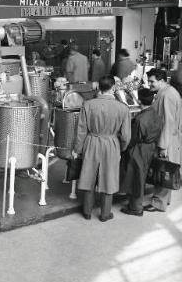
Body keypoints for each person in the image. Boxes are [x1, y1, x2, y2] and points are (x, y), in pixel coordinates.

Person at [73, 75, 131, 221]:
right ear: (113, 88)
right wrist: (121, 148)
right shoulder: (123, 108)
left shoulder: (88, 104)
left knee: (89, 176)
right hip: (111, 144)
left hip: (91, 141)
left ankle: (87, 211)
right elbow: (125, 135)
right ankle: (105, 214)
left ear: (99, 87)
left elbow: (81, 130)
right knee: (109, 178)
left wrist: (77, 149)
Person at [145, 68, 182, 212]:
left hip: (167, 139)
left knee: (162, 170)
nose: (149, 84)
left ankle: (158, 203)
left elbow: (168, 122)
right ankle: (163, 200)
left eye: (152, 81)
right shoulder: (168, 92)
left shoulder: (166, 96)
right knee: (166, 170)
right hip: (171, 137)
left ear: (161, 81)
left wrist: (163, 146)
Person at [120, 88, 161, 216]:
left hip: (139, 149)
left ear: (138, 100)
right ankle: (135, 204)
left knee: (136, 177)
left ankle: (136, 208)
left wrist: (123, 148)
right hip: (150, 147)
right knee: (141, 176)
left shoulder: (140, 119)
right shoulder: (156, 113)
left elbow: (133, 138)